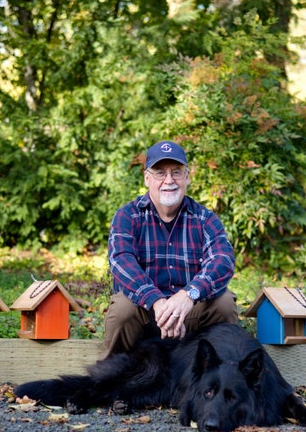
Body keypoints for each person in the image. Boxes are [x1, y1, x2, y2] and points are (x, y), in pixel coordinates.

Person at [102, 140, 239, 357]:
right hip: (145, 311)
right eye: (160, 173)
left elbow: (223, 260)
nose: (169, 181)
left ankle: (221, 378)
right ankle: (109, 382)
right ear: (147, 178)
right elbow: (121, 261)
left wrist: (188, 295)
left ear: (187, 177)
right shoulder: (128, 216)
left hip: (190, 312)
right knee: (122, 309)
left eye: (176, 172)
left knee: (223, 303)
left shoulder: (205, 218)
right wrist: (156, 301)